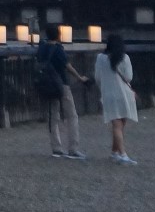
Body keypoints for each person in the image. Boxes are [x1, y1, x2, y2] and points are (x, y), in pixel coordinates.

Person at [37, 24, 90, 160]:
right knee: (71, 115)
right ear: (58, 35)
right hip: (62, 84)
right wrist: (79, 77)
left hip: (47, 84)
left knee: (52, 116)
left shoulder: (42, 48)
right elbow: (67, 66)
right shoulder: (58, 49)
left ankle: (56, 147)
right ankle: (73, 148)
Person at [94, 31, 139, 164]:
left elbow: (97, 77)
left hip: (109, 94)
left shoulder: (100, 58)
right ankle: (122, 154)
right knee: (120, 125)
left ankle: (116, 152)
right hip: (124, 94)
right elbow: (129, 77)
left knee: (116, 125)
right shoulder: (124, 58)